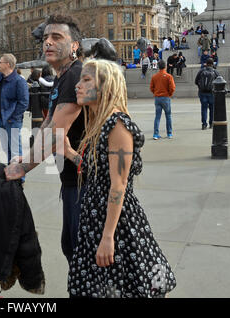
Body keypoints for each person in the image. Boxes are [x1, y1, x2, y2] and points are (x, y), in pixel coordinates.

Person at [65, 58, 176, 298]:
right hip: (95, 220)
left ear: (106, 86)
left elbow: (118, 184)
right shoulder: (98, 123)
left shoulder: (117, 125)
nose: (78, 85)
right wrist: (69, 153)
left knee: (121, 286)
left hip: (116, 225)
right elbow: (97, 170)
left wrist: (108, 237)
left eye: (86, 80)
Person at [4, 14, 86, 264]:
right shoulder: (63, 77)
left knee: (80, 253)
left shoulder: (76, 75)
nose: (47, 42)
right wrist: (26, 157)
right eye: (46, 38)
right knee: (71, 246)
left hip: (86, 183)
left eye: (57, 37)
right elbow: (49, 123)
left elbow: (55, 134)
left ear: (74, 46)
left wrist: (22, 167)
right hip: (72, 179)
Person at [150, 59, 175, 140]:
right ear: (166, 66)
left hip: (157, 97)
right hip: (166, 97)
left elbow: (151, 87)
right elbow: (172, 88)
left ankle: (155, 134)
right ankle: (169, 133)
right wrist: (169, 94)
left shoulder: (154, 77)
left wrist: (155, 93)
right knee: (168, 115)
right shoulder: (169, 76)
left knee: (157, 116)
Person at [195, 58, 220, 130]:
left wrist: (200, 87)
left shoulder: (202, 71)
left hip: (202, 93)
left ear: (206, 63)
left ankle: (204, 124)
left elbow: (196, 81)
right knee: (212, 109)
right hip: (211, 93)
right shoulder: (215, 72)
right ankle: (211, 123)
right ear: (212, 64)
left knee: (204, 108)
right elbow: (220, 81)